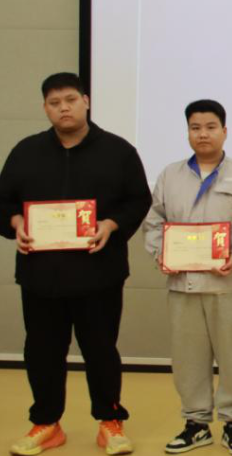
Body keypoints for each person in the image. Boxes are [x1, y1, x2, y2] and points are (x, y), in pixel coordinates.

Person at [0, 72, 151, 456]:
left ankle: (110, 421)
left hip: (98, 274)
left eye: (70, 100)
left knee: (101, 350)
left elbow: (138, 199)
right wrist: (15, 222)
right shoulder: (26, 151)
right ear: (45, 108)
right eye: (54, 103)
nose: (63, 108)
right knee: (42, 352)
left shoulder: (118, 151)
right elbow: (3, 201)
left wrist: (111, 224)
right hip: (40, 275)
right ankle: (46, 423)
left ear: (86, 101)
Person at [143, 99, 232, 455]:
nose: (203, 134)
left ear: (224, 131)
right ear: (188, 132)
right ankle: (196, 423)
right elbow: (154, 222)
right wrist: (161, 254)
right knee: (188, 358)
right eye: (195, 128)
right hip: (183, 284)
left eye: (210, 127)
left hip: (229, 283)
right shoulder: (170, 175)